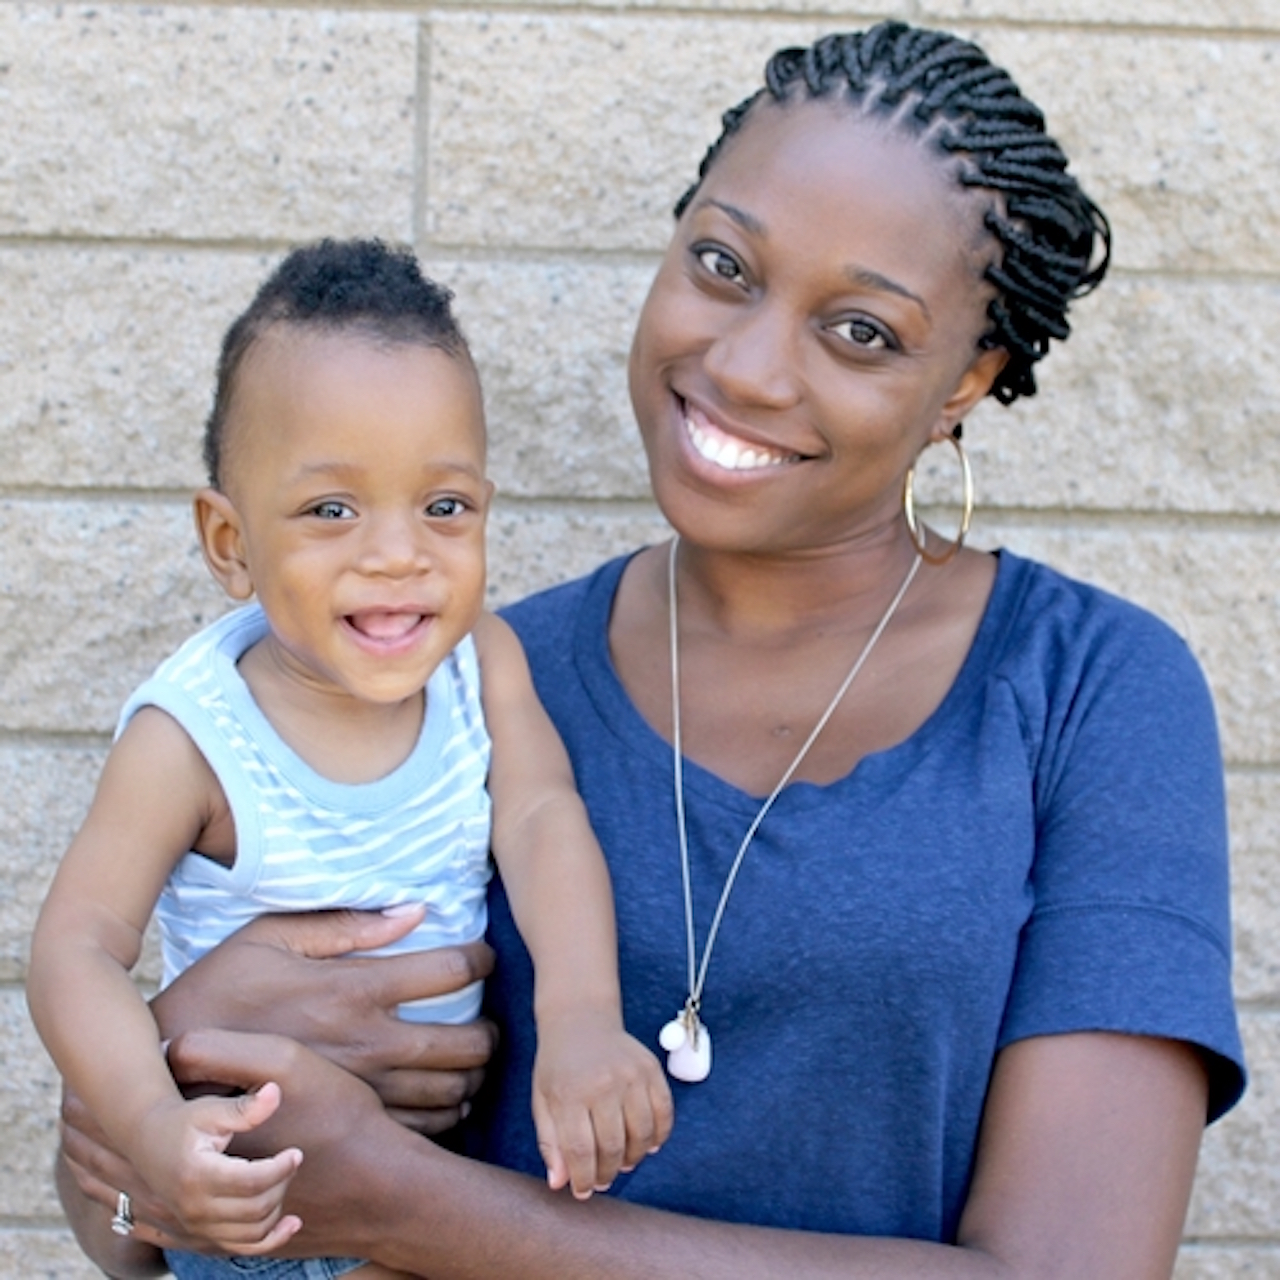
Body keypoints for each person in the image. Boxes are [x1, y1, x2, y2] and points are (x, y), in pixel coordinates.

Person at [56, 21, 1245, 1280]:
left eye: (860, 332)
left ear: (966, 378)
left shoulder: (1086, 689)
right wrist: (184, 1056)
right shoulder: (456, 675)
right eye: (723, 264)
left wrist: (410, 1204)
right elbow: (125, 1225)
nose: (743, 366)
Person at [28, 239, 673, 1280]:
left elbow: (544, 818)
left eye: (443, 506)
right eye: (332, 509)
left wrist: (582, 1018)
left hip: (434, 1170)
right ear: (229, 541)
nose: (396, 552)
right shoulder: (195, 736)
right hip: (262, 1188)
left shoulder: (481, 663)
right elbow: (75, 949)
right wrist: (151, 1125)